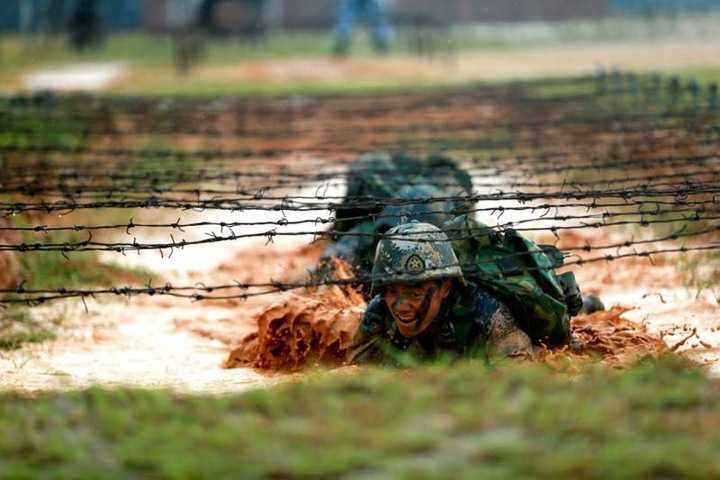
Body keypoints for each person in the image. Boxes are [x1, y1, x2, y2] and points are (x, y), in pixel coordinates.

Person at [348, 221, 536, 366]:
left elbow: (519, 378)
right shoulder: (379, 313)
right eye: (391, 291)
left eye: (415, 295)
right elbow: (355, 375)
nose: (401, 307)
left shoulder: (487, 313)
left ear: (445, 288)